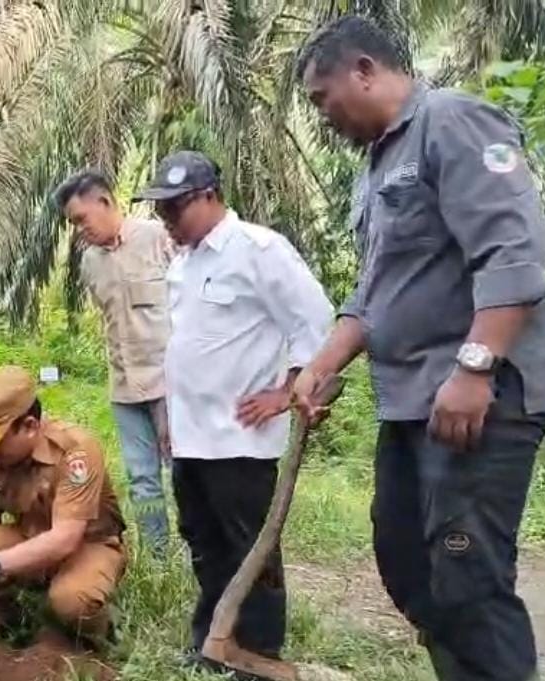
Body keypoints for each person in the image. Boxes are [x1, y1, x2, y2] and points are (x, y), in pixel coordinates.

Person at [293, 16, 545, 681]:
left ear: (364, 70)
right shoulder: (376, 168)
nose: (322, 116)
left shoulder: (453, 121)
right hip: (414, 403)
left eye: (322, 98)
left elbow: (514, 252)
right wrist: (321, 365)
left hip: (483, 396)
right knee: (407, 560)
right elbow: (377, 292)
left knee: (466, 573)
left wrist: (475, 367)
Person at [132, 151, 333, 666]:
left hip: (240, 437)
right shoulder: (184, 261)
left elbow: (315, 320)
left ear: (208, 197)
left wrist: (287, 391)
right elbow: (186, 345)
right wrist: (170, 418)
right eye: (160, 209)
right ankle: (213, 641)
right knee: (203, 540)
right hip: (192, 434)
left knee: (249, 545)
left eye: (174, 207)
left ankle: (258, 646)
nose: (165, 218)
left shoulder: (259, 250)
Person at [0, 365, 127, 645]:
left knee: (72, 602)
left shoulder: (75, 452)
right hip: (30, 537)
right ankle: (10, 634)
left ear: (30, 426)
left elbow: (65, 539)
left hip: (87, 545)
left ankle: (98, 638)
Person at [53, 170, 173, 556]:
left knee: (185, 474)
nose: (79, 230)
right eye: (73, 223)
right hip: (124, 388)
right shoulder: (90, 262)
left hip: (169, 382)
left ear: (105, 202)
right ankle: (159, 560)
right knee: (142, 480)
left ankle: (200, 556)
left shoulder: (158, 238)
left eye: (81, 219)